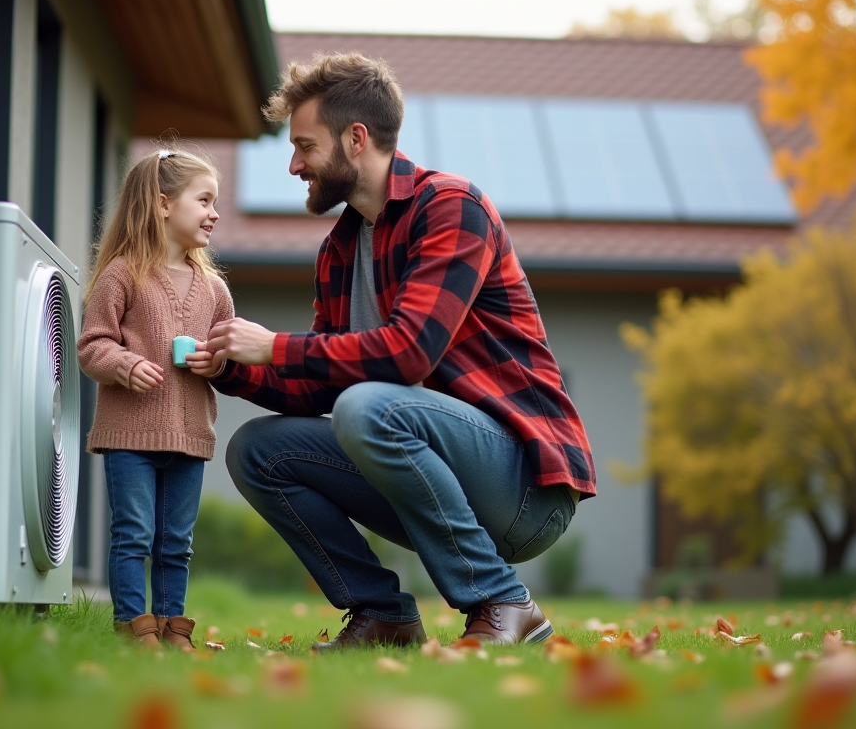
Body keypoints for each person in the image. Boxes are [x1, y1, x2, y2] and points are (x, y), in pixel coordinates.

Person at [203, 52, 595, 650]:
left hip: (524, 487)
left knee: (368, 407)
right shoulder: (338, 250)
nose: (294, 164)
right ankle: (383, 614)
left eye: (305, 145)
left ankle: (503, 600)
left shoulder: (452, 208)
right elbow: (320, 388)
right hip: (428, 472)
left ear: (356, 138)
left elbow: (409, 355)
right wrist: (232, 367)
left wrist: (275, 345)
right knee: (258, 451)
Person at [77, 148, 233, 651]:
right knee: (134, 533)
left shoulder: (214, 289)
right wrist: (125, 364)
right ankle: (132, 625)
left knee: (176, 543)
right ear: (164, 204)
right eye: (204, 200)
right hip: (129, 434)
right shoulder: (123, 274)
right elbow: (91, 345)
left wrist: (217, 362)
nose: (214, 213)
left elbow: (227, 355)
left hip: (191, 434)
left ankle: (171, 627)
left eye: (216, 203)